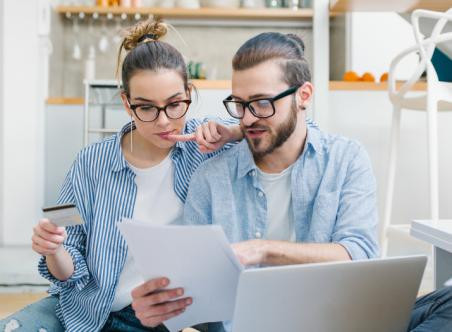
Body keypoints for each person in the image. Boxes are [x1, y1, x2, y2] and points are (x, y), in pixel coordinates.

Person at [131, 32, 452, 332]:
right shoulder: (212, 177)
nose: (247, 118)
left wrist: (262, 250)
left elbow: (360, 252)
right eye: (239, 104)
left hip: (339, 319)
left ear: (304, 95)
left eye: (261, 103)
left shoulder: (345, 159)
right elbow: (196, 288)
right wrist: (162, 306)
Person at [0, 19, 241, 332]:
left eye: (175, 105)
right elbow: (65, 268)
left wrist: (234, 132)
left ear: (189, 94)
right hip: (90, 309)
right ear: (127, 104)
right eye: (147, 108)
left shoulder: (207, 143)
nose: (164, 121)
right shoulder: (87, 162)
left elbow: (293, 134)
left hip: (170, 317)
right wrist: (53, 249)